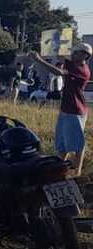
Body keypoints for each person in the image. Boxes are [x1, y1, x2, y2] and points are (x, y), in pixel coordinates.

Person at [36, 43, 90, 177]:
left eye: (76, 52)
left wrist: (38, 60)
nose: (72, 54)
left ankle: (77, 172)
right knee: (62, 145)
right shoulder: (73, 64)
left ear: (84, 55)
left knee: (78, 145)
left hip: (75, 111)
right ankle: (59, 170)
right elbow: (60, 57)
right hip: (66, 110)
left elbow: (59, 72)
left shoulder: (82, 70)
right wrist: (54, 43)